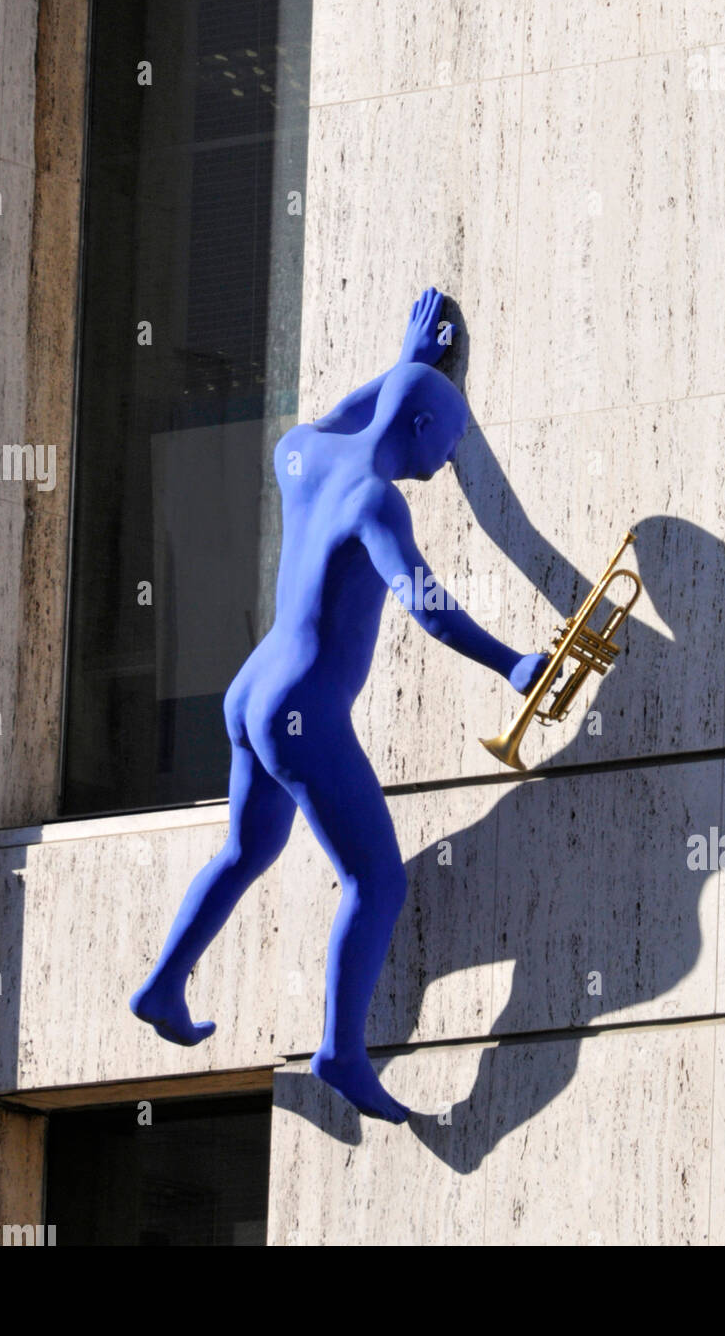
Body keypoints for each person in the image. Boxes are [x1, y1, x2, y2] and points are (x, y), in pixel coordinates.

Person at [131, 289, 551, 1122]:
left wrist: (405, 368)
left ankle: (163, 984)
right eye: (454, 439)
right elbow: (426, 602)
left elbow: (344, 414)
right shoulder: (376, 503)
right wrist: (508, 661)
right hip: (305, 709)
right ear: (424, 431)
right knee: (376, 882)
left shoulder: (303, 456)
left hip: (253, 689)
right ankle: (341, 1051)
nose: (454, 458)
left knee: (247, 852)